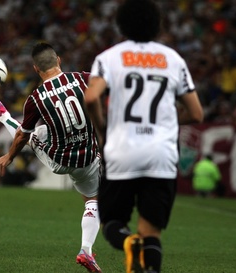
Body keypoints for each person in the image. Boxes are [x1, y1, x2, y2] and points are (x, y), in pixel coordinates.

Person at [84, 1, 204, 272]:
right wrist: (168, 122)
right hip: (161, 155)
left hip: (122, 150)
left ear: (121, 25)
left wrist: (103, 128)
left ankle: (128, 243)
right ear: (157, 25)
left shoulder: (110, 57)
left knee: (113, 223)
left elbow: (91, 97)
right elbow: (196, 114)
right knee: (152, 232)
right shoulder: (173, 59)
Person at [0, 42, 102, 272]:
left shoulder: (36, 99)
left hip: (60, 160)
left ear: (36, 69)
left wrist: (8, 156)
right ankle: (85, 249)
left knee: (29, 134)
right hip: (89, 157)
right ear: (58, 60)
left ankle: (3, 116)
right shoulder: (83, 78)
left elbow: (20, 138)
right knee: (94, 202)